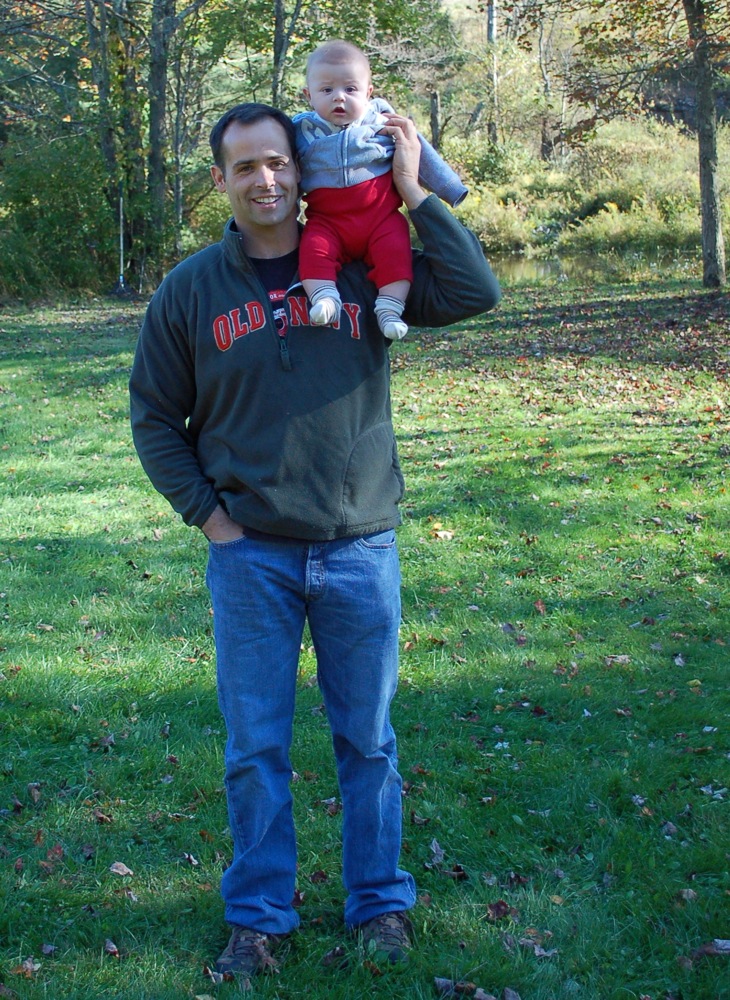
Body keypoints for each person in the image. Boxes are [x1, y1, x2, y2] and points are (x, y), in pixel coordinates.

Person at [128, 100, 500, 979]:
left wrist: (412, 193)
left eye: (278, 163)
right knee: (256, 747)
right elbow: (153, 417)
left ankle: (380, 905)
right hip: (250, 555)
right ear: (220, 180)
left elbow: (475, 292)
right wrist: (211, 519)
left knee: (367, 741)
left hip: (358, 545)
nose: (265, 180)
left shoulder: (362, 267)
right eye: (245, 166)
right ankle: (258, 917)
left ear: (302, 171)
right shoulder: (191, 290)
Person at [293, 39, 468, 341]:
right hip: (327, 221)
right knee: (313, 250)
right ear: (309, 95)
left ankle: (389, 309)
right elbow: (285, 170)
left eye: (350, 89)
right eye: (327, 90)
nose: (339, 97)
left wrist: (450, 188)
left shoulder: (382, 121)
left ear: (369, 92)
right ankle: (324, 298)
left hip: (381, 219)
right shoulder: (301, 130)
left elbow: (421, 152)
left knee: (396, 255)